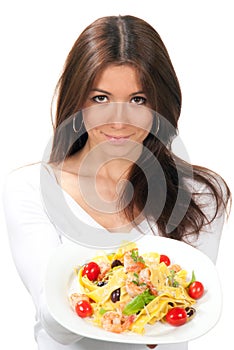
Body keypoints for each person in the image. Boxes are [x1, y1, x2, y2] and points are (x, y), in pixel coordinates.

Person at [3, 15, 230, 350]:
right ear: (77, 102)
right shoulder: (31, 189)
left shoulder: (200, 194)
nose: (119, 120)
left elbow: (187, 313)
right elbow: (57, 325)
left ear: (159, 106)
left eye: (138, 99)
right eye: (100, 99)